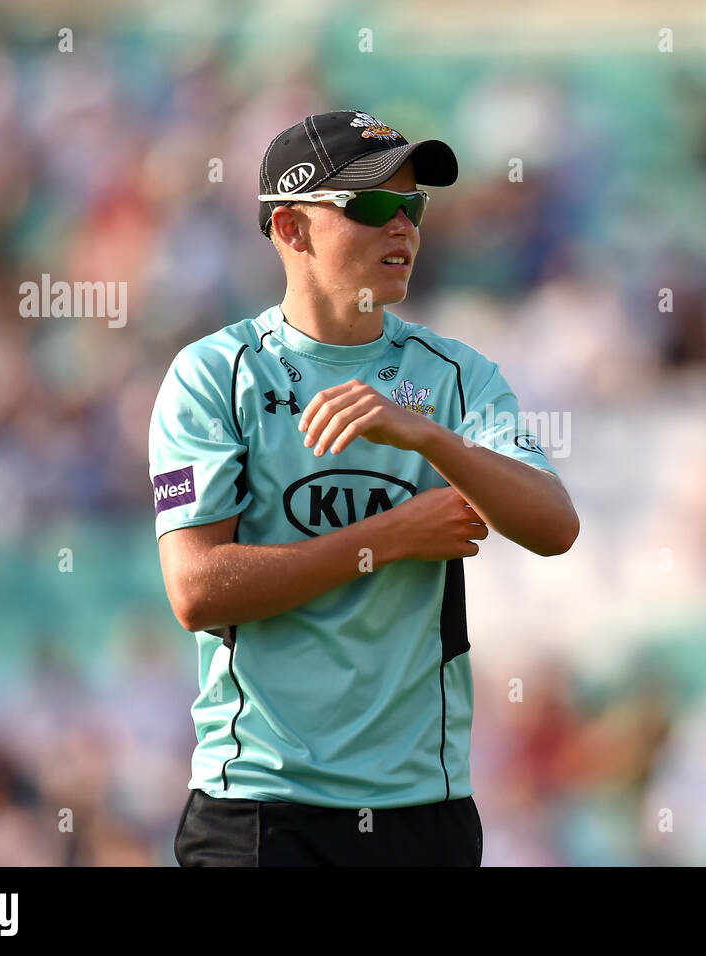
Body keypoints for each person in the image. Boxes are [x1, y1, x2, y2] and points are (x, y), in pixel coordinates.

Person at [148, 109, 579, 866]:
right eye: (374, 206)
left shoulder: (454, 377)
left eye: (412, 207)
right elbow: (196, 590)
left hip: (423, 809)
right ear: (291, 229)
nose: (403, 229)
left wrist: (427, 437)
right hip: (261, 805)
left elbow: (555, 526)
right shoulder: (215, 375)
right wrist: (388, 540)